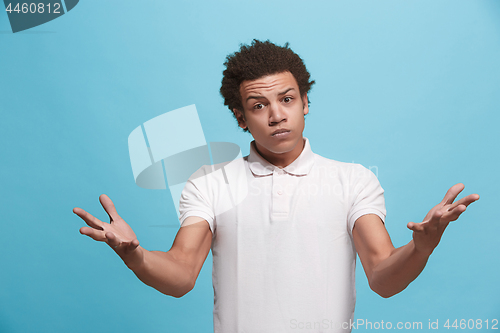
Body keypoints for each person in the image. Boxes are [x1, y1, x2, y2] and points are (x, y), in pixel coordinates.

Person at [73, 40, 479, 332]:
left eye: (287, 99)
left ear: (305, 101)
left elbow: (383, 277)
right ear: (240, 117)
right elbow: (181, 275)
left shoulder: (353, 179)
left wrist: (422, 247)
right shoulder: (210, 184)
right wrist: (136, 256)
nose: (276, 115)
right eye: (258, 105)